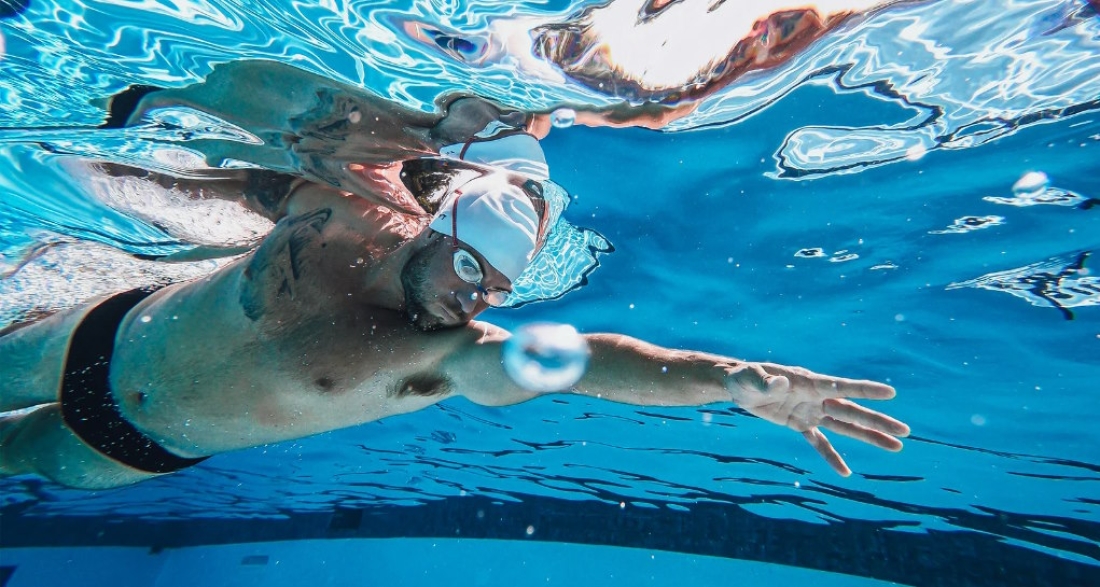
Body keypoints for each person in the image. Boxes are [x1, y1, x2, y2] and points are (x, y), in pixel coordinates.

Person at [0, 61, 910, 490]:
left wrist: (734, 382)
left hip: (124, 452)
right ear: (434, 231)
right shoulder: (342, 209)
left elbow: (589, 357)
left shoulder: (442, 355)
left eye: (495, 294)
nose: (477, 299)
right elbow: (269, 118)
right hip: (100, 333)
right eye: (473, 270)